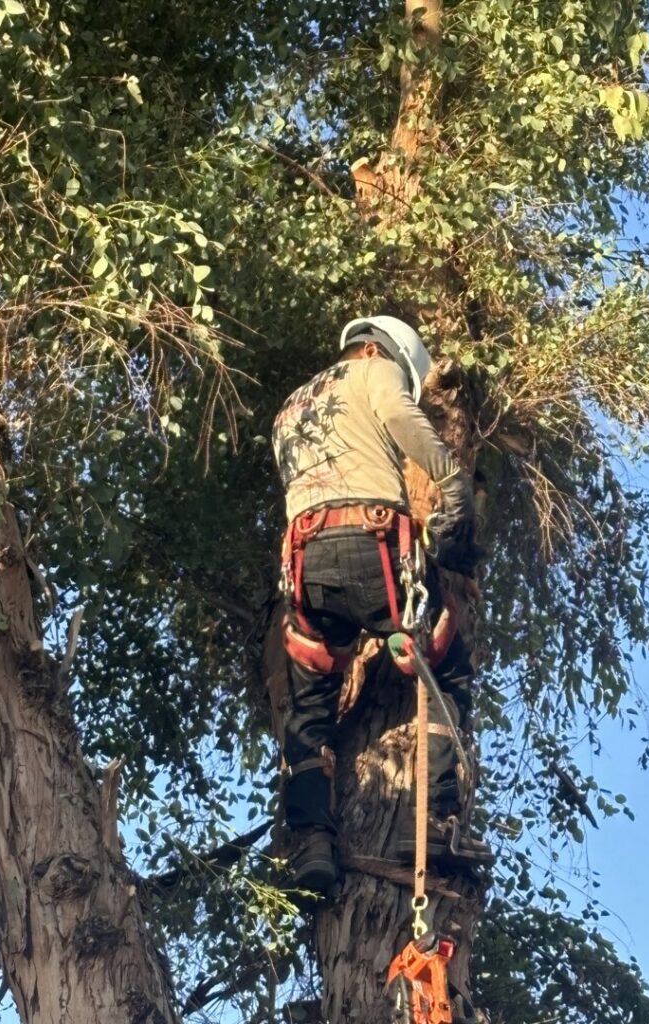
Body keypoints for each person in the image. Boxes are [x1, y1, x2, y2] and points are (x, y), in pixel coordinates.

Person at [272, 315, 488, 895]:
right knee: (446, 663)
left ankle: (313, 840)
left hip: (305, 565)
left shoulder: (292, 406)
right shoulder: (376, 369)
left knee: (310, 701)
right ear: (379, 349)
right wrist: (449, 480)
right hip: (372, 548)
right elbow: (397, 414)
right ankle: (437, 822)